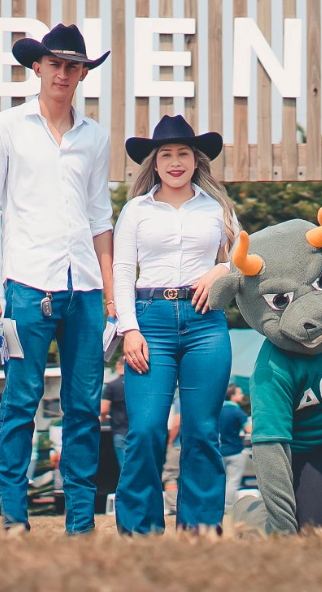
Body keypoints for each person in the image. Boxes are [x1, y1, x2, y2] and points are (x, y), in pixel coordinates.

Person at [0, 23, 115, 534]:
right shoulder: (5, 127)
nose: (63, 73)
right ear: (37, 67)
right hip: (27, 287)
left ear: (82, 74)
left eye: (73, 66)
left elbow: (101, 218)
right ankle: (14, 518)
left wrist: (112, 298)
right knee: (20, 403)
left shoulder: (95, 136)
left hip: (87, 292)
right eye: (55, 63)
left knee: (82, 410)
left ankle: (80, 525)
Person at [113, 115, 238, 535]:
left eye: (183, 153)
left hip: (205, 324)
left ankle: (200, 529)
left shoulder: (217, 208)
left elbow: (246, 257)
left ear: (196, 159)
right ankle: (139, 531)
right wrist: (129, 328)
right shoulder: (135, 210)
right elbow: (122, 270)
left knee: (203, 430)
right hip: (151, 323)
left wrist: (220, 273)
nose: (175, 161)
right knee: (147, 429)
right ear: (154, 162)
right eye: (166, 154)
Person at [219, 385, 251, 507]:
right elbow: (249, 430)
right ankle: (227, 506)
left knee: (221, 481)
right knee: (233, 481)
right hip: (234, 451)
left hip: (219, 450)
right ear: (232, 396)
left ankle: (218, 504)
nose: (242, 395)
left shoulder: (218, 410)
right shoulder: (238, 412)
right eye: (239, 393)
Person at [101, 374, 129, 466]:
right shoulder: (138, 384)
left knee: (125, 465)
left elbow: (104, 410)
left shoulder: (112, 386)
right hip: (137, 430)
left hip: (120, 430)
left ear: (118, 366)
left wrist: (102, 418)